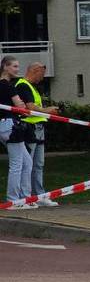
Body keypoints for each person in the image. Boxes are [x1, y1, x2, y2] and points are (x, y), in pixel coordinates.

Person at [14, 62, 57, 207]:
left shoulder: (32, 87)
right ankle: (26, 196)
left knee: (38, 164)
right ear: (35, 70)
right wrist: (48, 111)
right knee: (28, 164)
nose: (43, 78)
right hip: (29, 128)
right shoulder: (23, 85)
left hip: (38, 128)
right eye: (42, 74)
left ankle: (39, 195)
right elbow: (30, 106)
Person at [0, 56, 33, 209]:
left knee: (27, 162)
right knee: (17, 164)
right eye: (14, 66)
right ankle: (13, 200)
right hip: (11, 126)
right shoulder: (8, 86)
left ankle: (25, 197)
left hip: (5, 126)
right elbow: (19, 105)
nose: (17, 69)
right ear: (5, 67)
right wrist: (26, 108)